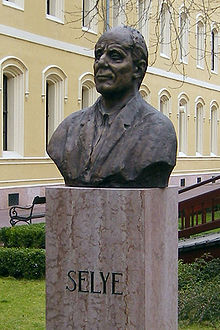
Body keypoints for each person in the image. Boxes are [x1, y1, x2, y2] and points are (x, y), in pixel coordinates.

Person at [47, 26, 177, 188]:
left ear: (138, 68)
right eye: (98, 55)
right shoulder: (69, 127)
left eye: (115, 56)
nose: (101, 63)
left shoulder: (158, 131)